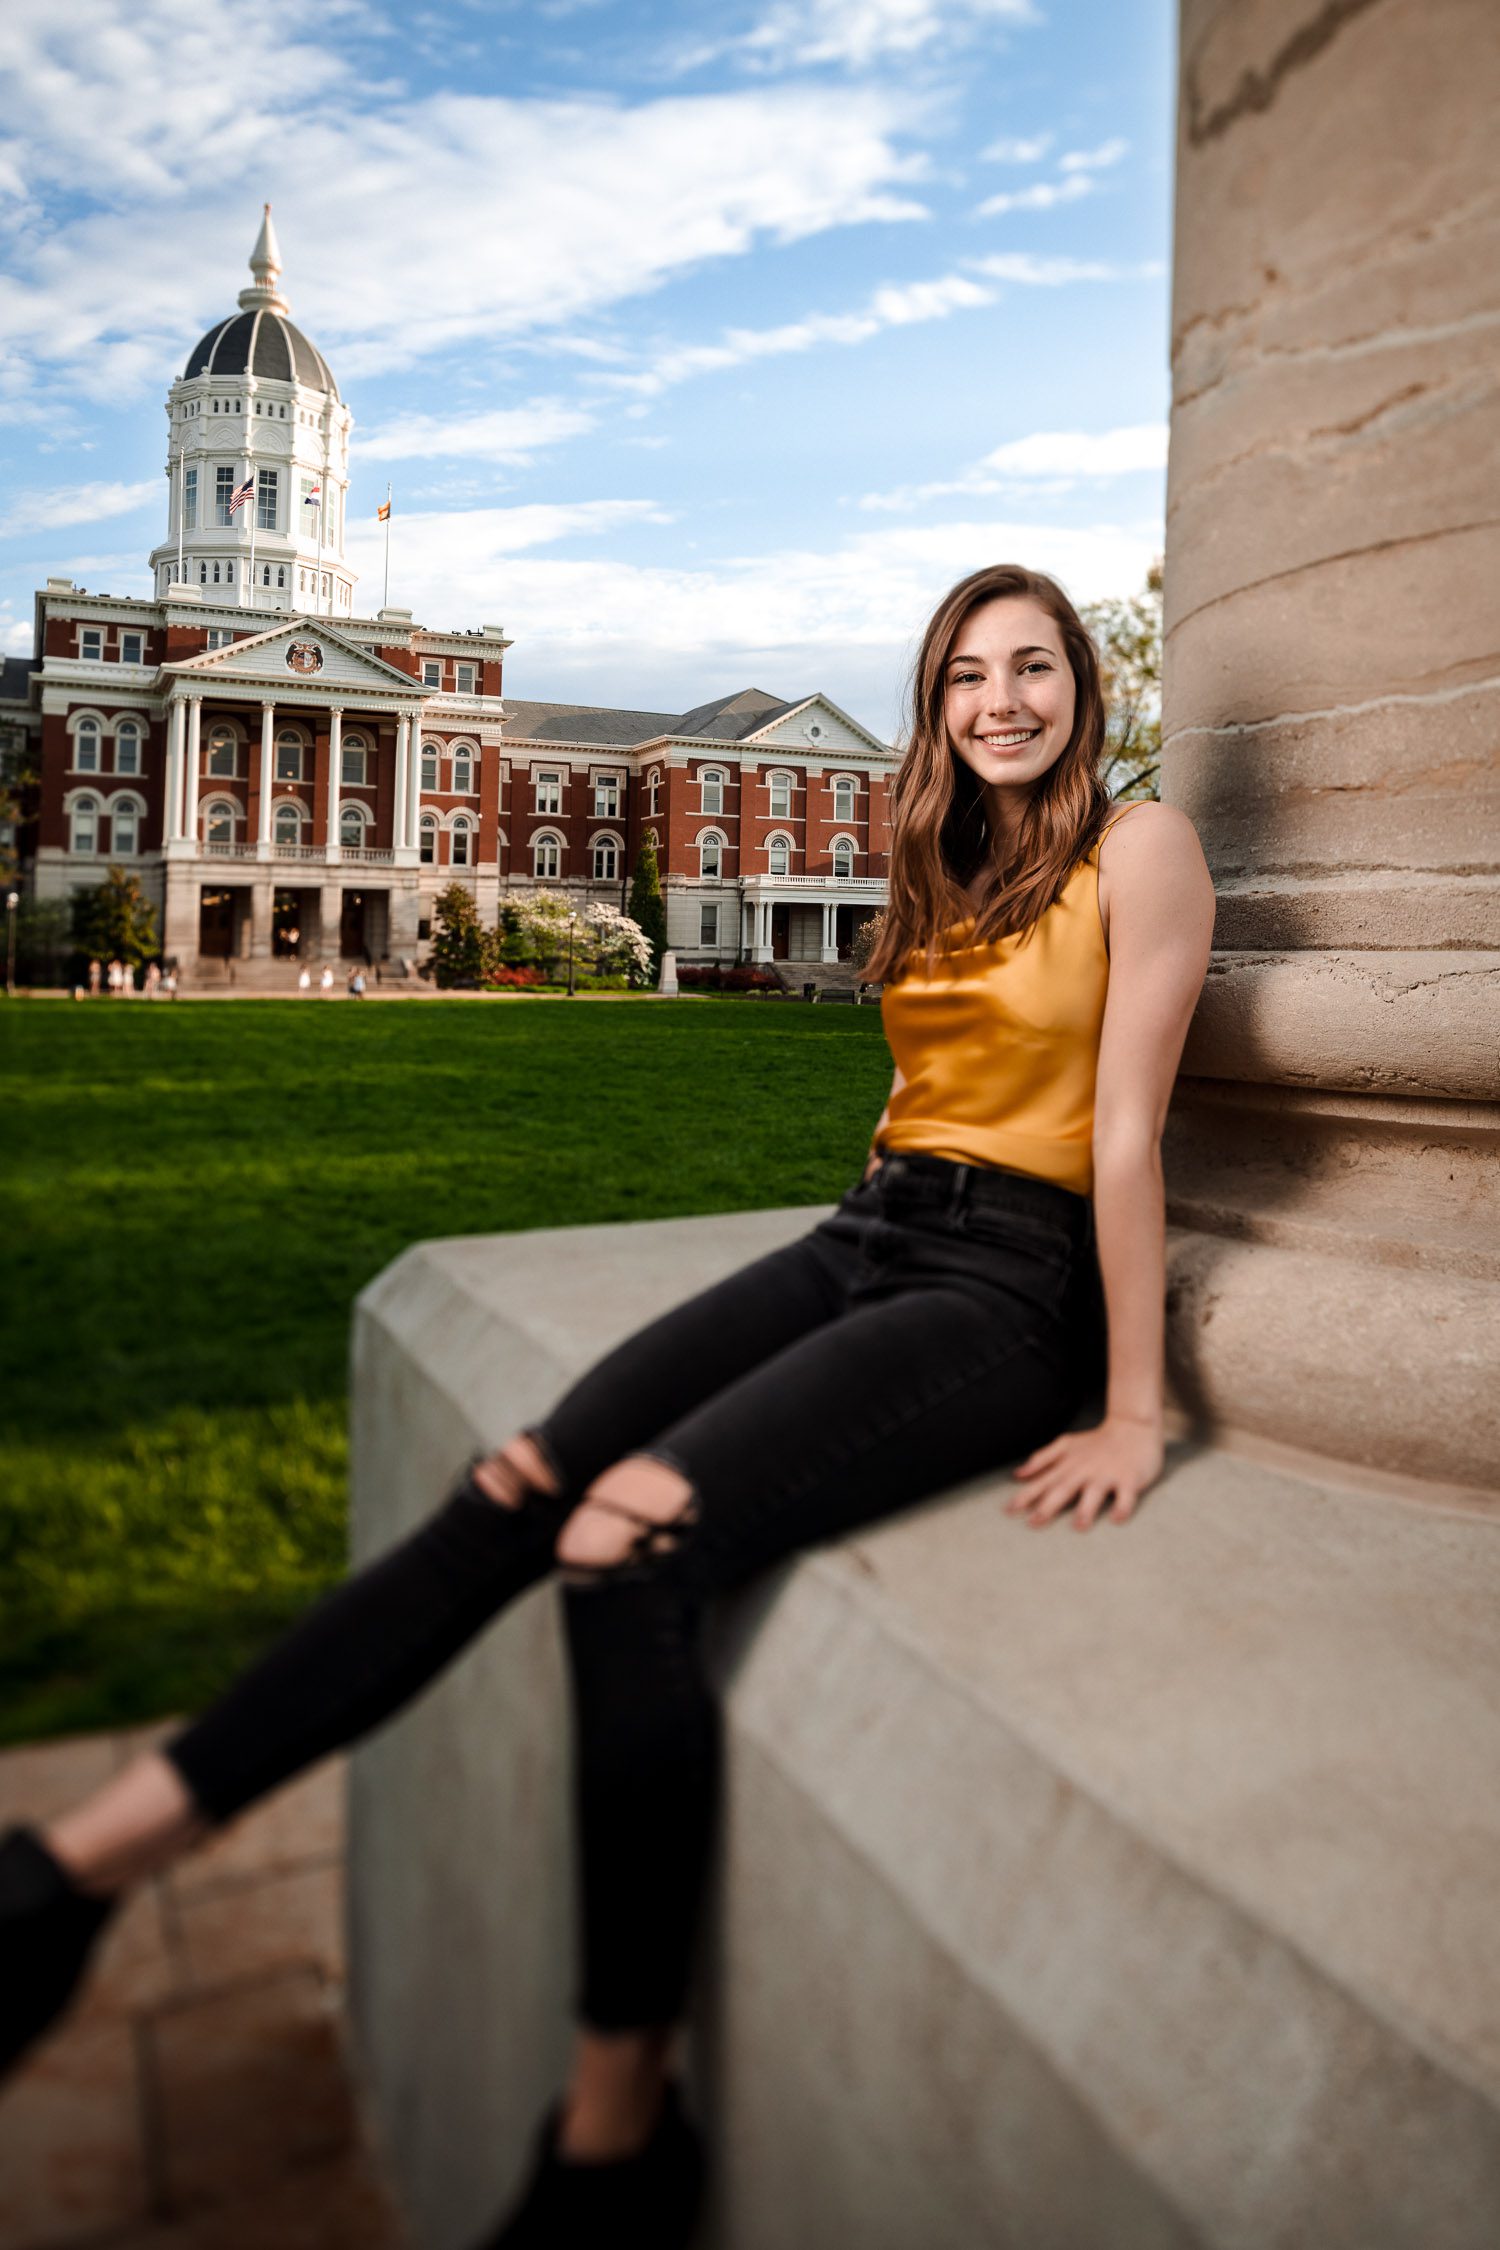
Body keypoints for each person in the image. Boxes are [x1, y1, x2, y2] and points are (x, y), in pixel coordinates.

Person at [0, 565, 1215, 2247]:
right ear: (935, 704)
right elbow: (922, 1079)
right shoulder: (945, 853)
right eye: (964, 676)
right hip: (874, 1230)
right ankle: (73, 1877)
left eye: (1031, 669)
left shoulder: (1137, 848)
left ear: (1082, 685)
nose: (1000, 700)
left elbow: (1129, 1132)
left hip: (1008, 1287)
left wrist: (1138, 1404)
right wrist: (868, 1208)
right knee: (520, 1480)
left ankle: (618, 2128)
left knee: (625, 1542)